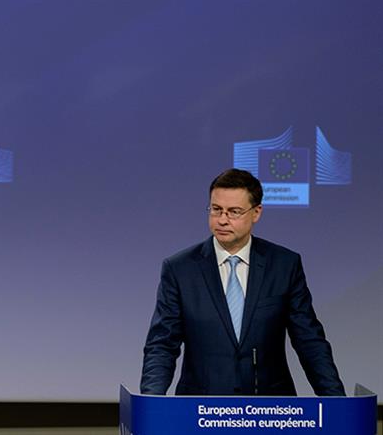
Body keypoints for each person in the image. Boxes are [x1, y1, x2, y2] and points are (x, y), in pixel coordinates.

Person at [140, 169, 344, 396]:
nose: (222, 220)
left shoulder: (284, 265)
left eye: (234, 212)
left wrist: (337, 402)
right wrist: (150, 403)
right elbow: (162, 345)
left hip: (270, 407)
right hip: (202, 407)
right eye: (216, 209)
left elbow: (309, 341)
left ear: (256, 213)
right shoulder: (180, 269)